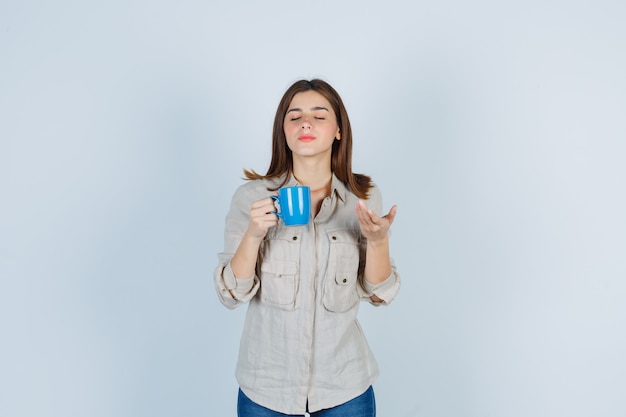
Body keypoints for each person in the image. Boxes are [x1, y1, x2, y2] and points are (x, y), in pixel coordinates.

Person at [214, 79, 400, 417]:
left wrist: (378, 241)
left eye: (319, 115)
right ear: (283, 130)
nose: (306, 124)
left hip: (345, 386)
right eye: (294, 116)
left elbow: (377, 292)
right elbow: (231, 293)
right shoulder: (250, 199)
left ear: (338, 130)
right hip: (265, 387)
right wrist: (254, 233)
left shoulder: (363, 198)